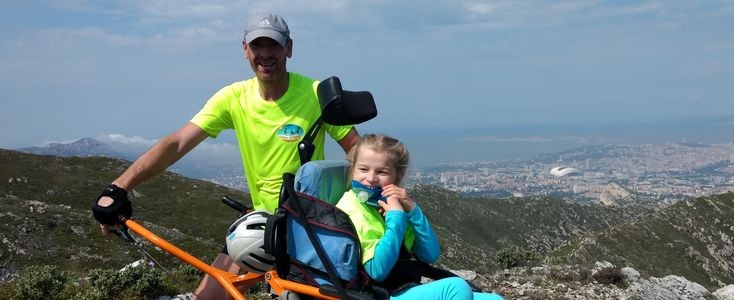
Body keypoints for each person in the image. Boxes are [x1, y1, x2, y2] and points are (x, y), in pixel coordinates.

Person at [91, 12, 360, 300]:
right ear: (245, 50)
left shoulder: (315, 93)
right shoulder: (233, 98)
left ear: (289, 48)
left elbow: (356, 149)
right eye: (258, 46)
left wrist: (372, 195)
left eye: (275, 46)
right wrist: (118, 188)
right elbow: (178, 143)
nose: (266, 54)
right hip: (260, 227)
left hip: (309, 228)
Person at [336, 134, 502, 300]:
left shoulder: (386, 203)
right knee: (456, 289)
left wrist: (413, 210)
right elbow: (377, 271)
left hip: (404, 287)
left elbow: (430, 254)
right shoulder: (352, 209)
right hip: (380, 293)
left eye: (382, 172)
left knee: (495, 299)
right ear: (353, 169)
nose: (371, 178)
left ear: (397, 176)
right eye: (363, 169)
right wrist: (396, 218)